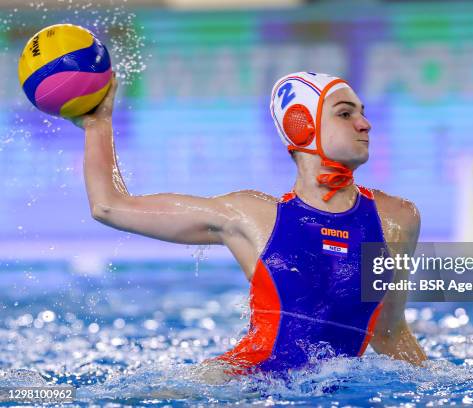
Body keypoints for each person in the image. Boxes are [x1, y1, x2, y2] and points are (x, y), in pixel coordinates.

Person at [74, 71, 427, 377]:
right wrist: (97, 123)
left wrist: (432, 388)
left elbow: (389, 333)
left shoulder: (395, 220)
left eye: (362, 114)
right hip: (245, 385)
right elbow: (109, 207)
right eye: (345, 113)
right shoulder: (251, 216)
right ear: (300, 124)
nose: (365, 124)